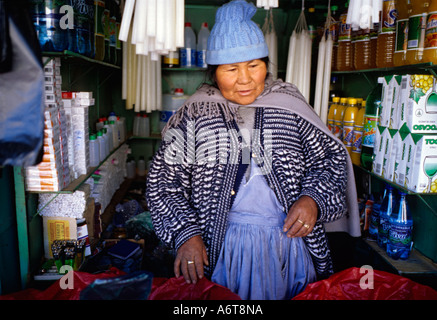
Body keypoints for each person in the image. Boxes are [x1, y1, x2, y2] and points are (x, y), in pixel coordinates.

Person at [146, 0, 360, 300]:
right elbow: (164, 184)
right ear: (213, 72)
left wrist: (313, 200)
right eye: (231, 69)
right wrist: (187, 235)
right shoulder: (195, 114)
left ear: (266, 65)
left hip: (289, 247)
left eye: (254, 66)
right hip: (220, 251)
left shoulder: (289, 105)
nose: (244, 79)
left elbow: (330, 160)